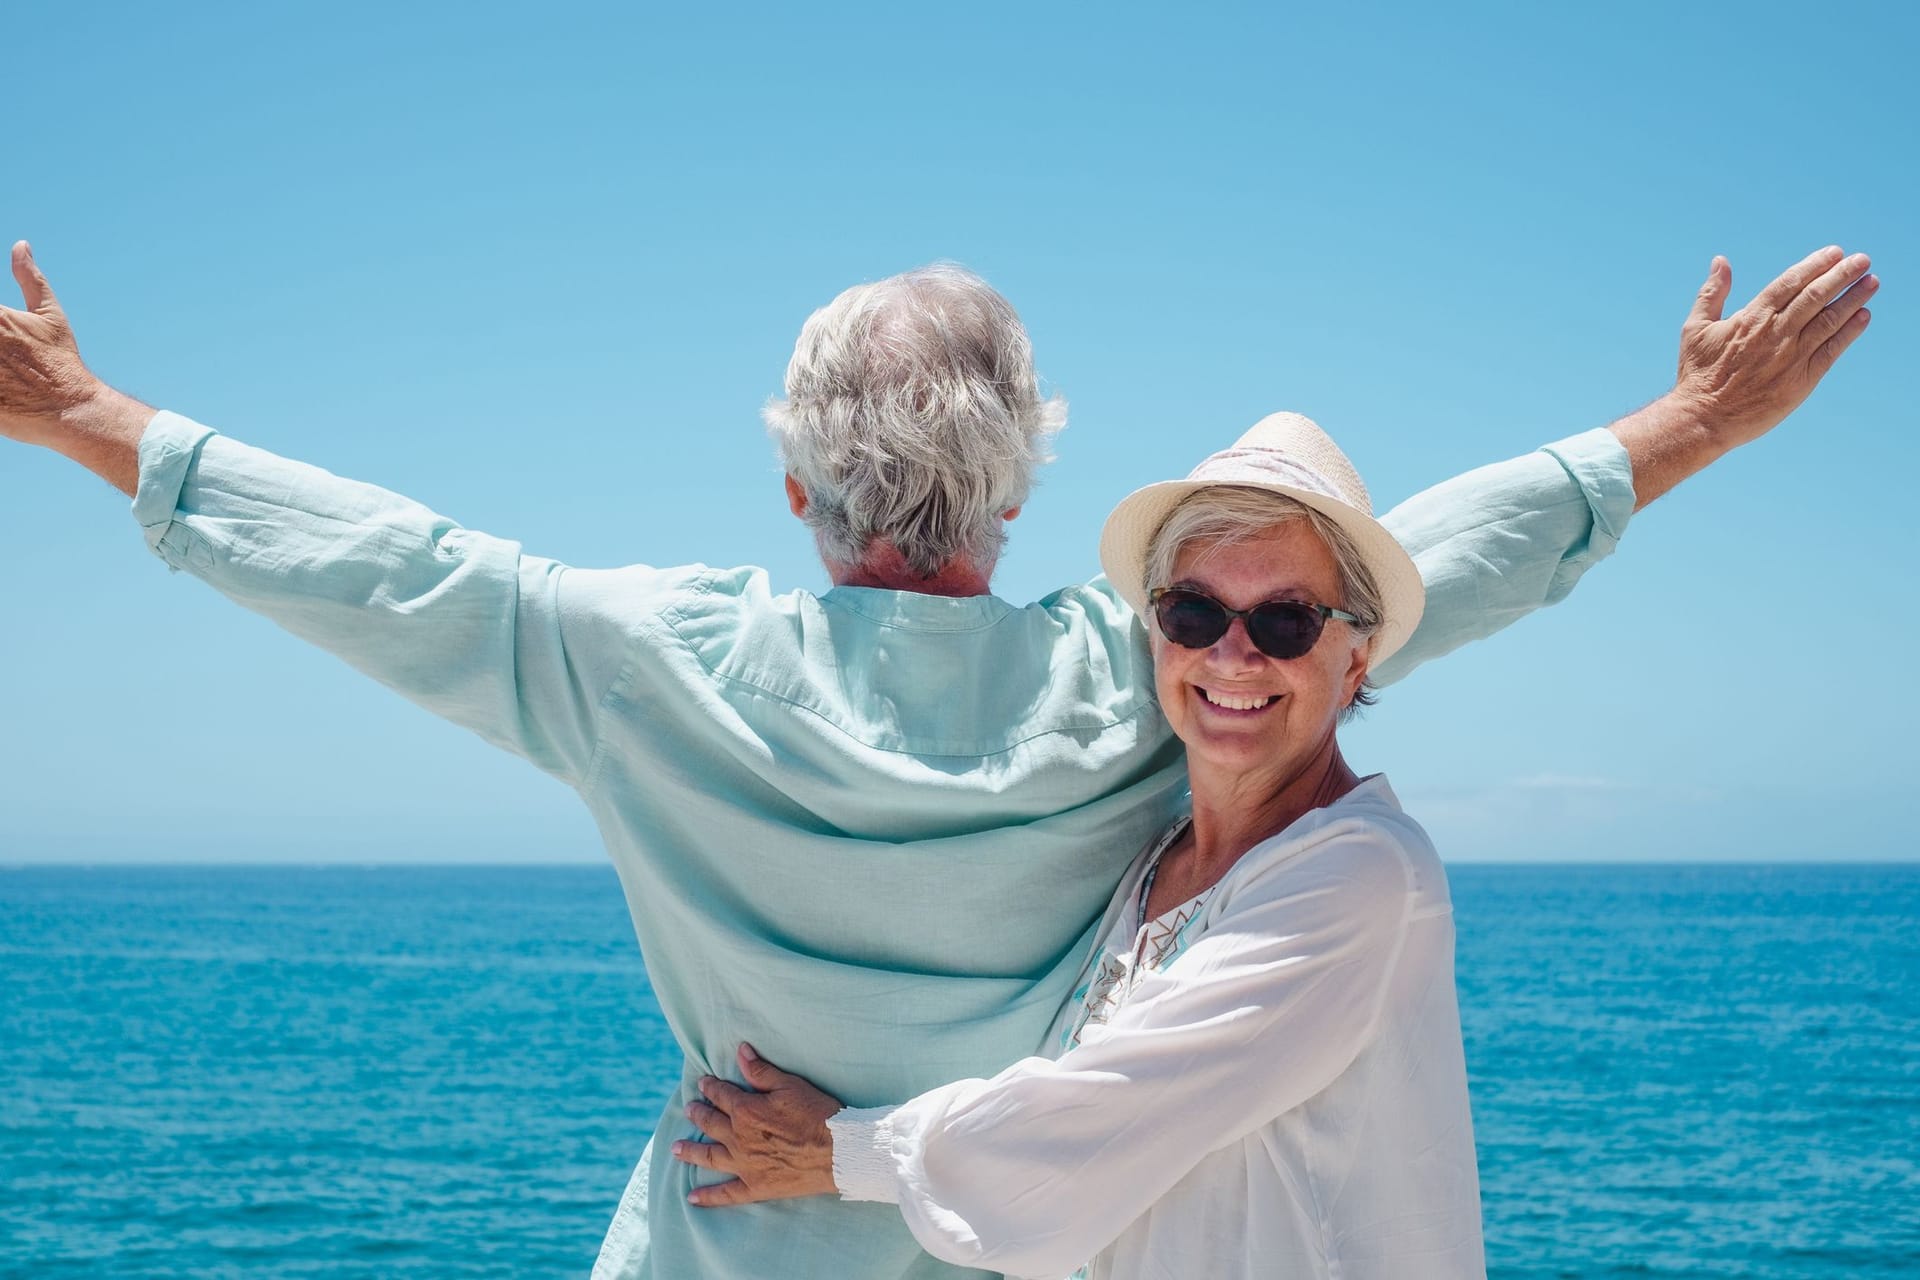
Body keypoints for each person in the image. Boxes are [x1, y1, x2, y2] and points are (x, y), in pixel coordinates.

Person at [0, 242, 1876, 1280]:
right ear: (1030, 479)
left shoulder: (640, 663)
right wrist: (1688, 423)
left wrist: (98, 423)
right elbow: (1410, 575)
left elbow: (389, 568)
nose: (1241, 645)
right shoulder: (1139, 677)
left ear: (797, 482)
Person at [669, 412, 1484, 1279]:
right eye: (1195, 613)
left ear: (1355, 661)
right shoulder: (1158, 863)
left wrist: (840, 1152)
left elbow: (1114, 1109)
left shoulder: (1365, 877)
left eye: (1287, 622)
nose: (1234, 655)